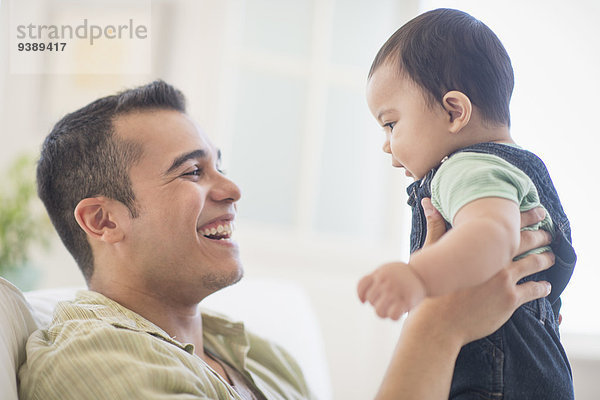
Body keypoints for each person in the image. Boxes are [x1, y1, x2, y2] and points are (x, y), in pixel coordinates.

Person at [18, 80, 554, 400]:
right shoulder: (96, 361)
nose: (231, 189)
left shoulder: (264, 359)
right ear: (103, 221)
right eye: (191, 173)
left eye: (219, 166)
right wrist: (438, 325)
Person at [357, 8, 576, 399]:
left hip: (494, 380)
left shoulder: (467, 167)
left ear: (454, 111)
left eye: (391, 124)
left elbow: (492, 235)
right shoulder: (514, 169)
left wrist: (420, 277)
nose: (387, 146)